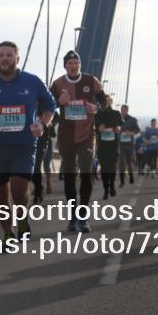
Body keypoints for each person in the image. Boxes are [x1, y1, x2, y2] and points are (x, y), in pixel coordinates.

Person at [0, 41, 55, 242]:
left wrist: (43, 124)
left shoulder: (32, 82)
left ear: (17, 58)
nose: (5, 58)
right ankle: (8, 233)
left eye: (9, 55)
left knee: (18, 190)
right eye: (1, 55)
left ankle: (22, 219)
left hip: (24, 147)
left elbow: (51, 104)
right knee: (0, 196)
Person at [50, 50, 105, 233]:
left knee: (86, 174)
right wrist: (59, 101)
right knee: (70, 176)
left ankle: (83, 215)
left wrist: (94, 107)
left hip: (87, 134)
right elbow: (48, 106)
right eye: (70, 63)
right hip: (66, 135)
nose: (73, 66)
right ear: (65, 65)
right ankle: (73, 215)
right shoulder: (57, 83)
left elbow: (104, 102)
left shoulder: (91, 81)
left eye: (76, 63)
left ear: (80, 65)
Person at [96, 95, 123, 199]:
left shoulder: (116, 114)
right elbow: (93, 127)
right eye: (105, 101)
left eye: (108, 101)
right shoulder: (98, 114)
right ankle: (106, 189)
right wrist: (99, 128)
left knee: (112, 168)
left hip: (113, 144)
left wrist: (118, 128)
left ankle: (111, 185)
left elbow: (121, 125)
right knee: (104, 168)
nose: (106, 103)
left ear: (111, 102)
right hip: (102, 145)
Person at [117, 105, 140, 186]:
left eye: (124, 110)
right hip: (121, 145)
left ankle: (131, 176)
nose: (122, 112)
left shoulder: (132, 120)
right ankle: (122, 181)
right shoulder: (118, 119)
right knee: (122, 163)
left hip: (130, 144)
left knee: (129, 163)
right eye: (121, 110)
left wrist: (131, 133)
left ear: (127, 110)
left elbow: (138, 130)